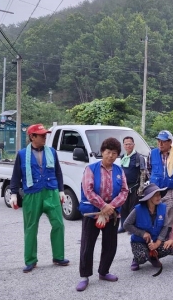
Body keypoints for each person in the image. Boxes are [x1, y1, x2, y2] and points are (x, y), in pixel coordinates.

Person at [9, 123, 69, 273]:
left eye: (45, 135)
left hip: (51, 192)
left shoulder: (52, 152)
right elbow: (16, 175)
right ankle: (30, 260)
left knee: (58, 224)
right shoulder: (22, 154)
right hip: (32, 193)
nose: (44, 137)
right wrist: (13, 194)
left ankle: (58, 256)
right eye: (41, 135)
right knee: (30, 228)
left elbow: (58, 172)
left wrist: (61, 190)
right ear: (32, 137)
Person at [76, 138, 129, 291]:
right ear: (102, 152)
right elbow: (88, 190)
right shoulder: (91, 169)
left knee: (110, 244)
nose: (111, 156)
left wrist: (111, 206)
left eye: (114, 153)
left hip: (112, 213)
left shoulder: (119, 171)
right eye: (108, 152)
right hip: (93, 212)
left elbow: (124, 191)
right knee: (87, 245)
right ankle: (84, 276)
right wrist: (103, 205)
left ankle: (104, 271)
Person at [146, 130, 173, 251]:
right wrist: (155, 181)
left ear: (170, 142)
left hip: (171, 190)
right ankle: (155, 241)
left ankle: (170, 242)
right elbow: (148, 170)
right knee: (156, 215)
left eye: (163, 141)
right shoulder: (152, 153)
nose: (160, 144)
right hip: (156, 190)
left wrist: (171, 181)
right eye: (159, 141)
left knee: (172, 217)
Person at [123, 183, 173, 271]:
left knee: (169, 248)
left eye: (159, 194)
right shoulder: (138, 209)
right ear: (149, 197)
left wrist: (157, 243)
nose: (159, 197)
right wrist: (142, 233)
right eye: (155, 195)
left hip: (155, 240)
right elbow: (126, 225)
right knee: (142, 256)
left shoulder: (163, 208)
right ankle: (136, 259)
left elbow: (165, 226)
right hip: (139, 241)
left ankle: (153, 257)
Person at [118, 136, 147, 234]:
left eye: (130, 144)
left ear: (133, 145)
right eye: (126, 144)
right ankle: (123, 226)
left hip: (135, 186)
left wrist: (141, 187)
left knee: (133, 208)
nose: (128, 146)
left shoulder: (139, 157)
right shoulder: (123, 157)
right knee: (123, 207)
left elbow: (143, 173)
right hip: (124, 187)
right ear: (123, 145)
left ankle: (131, 228)